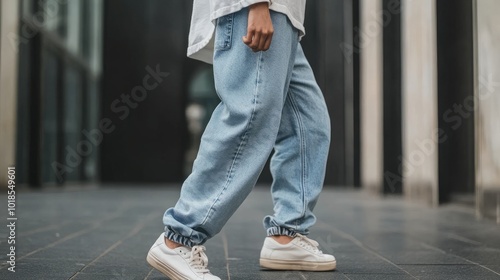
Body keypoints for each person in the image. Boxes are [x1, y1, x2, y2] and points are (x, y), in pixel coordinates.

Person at [146, 0, 335, 279]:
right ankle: (180, 237)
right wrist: (256, 4)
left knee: (308, 124)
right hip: (258, 9)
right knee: (248, 115)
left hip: (286, 18)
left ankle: (287, 235)